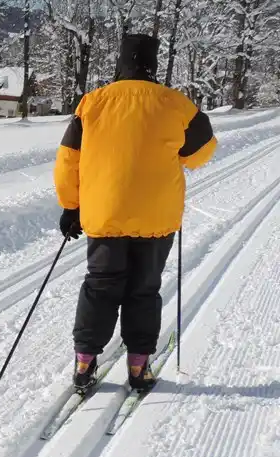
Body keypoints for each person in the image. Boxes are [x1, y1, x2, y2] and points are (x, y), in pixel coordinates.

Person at [53, 33, 217, 394]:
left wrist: (70, 206)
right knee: (144, 289)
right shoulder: (176, 104)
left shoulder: (92, 103)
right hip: (156, 219)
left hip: (105, 216)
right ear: (152, 65)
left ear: (120, 64)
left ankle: (84, 363)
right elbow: (202, 152)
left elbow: (68, 159)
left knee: (100, 287)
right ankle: (138, 367)